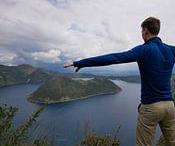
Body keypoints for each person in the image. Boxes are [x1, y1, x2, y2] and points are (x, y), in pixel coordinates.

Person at [64, 17, 175, 146]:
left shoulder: (144, 50)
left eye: (141, 31)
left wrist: (80, 63)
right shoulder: (171, 50)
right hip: (170, 107)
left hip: (150, 108)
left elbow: (114, 58)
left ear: (145, 31)